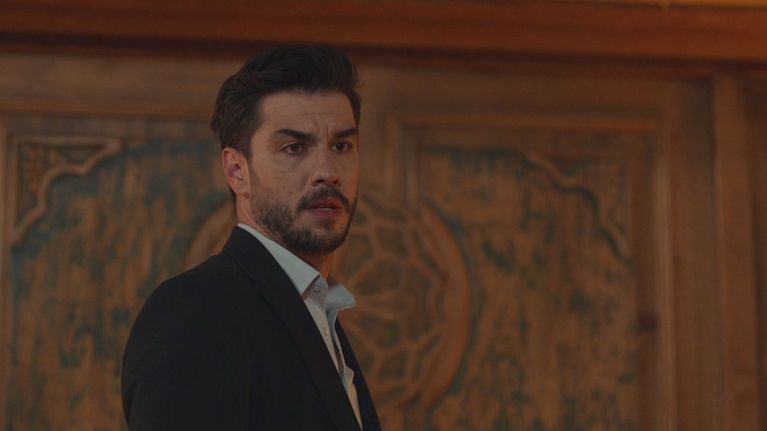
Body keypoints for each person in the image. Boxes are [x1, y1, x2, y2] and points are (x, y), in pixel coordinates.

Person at [121, 45, 381, 431]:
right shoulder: (195, 311)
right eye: (294, 148)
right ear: (236, 170)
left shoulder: (318, 310)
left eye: (341, 146)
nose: (327, 171)